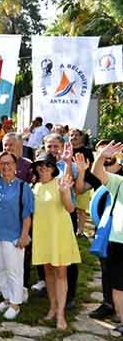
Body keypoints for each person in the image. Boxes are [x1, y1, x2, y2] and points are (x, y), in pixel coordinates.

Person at [0, 125, 33, 320]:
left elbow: (27, 214)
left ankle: (16, 304)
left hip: (14, 235)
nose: (6, 167)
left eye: (9, 163)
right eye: (2, 163)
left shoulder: (23, 187)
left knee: (14, 270)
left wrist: (25, 235)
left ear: (15, 166)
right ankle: (7, 298)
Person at [31, 152, 81, 330]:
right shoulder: (35, 186)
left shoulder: (60, 183)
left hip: (59, 234)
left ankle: (61, 314)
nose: (43, 167)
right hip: (42, 235)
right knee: (48, 273)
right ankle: (52, 308)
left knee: (61, 274)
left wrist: (66, 192)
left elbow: (70, 208)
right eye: (40, 164)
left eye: (48, 164)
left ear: (53, 168)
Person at [75, 141, 123, 320]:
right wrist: (98, 159)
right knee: (110, 273)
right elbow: (84, 185)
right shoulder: (112, 179)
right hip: (111, 232)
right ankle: (110, 305)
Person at [90, 141, 123, 335]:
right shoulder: (118, 182)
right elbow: (97, 172)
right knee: (118, 285)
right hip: (118, 241)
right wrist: (102, 156)